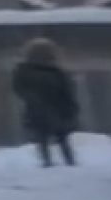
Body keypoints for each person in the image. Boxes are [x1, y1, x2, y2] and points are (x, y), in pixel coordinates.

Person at [11, 38, 78, 168]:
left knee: (58, 136)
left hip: (55, 108)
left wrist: (70, 107)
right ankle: (50, 161)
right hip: (41, 109)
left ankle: (65, 161)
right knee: (45, 136)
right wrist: (33, 99)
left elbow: (66, 91)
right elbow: (19, 88)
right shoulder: (25, 70)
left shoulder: (55, 71)